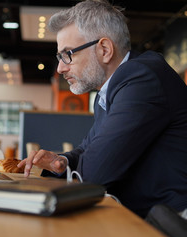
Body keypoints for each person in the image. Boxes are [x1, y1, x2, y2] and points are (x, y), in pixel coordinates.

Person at [17, 0, 187, 218]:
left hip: (171, 220)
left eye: (68, 54)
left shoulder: (142, 79)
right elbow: (88, 149)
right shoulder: (108, 92)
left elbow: (95, 173)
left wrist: (81, 166)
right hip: (142, 216)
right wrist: (62, 161)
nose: (60, 67)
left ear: (104, 49)